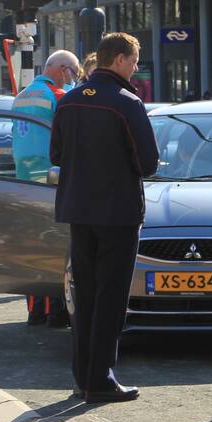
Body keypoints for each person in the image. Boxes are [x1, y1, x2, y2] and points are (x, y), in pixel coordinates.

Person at [50, 32, 159, 403]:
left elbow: (56, 153)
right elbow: (148, 163)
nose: (135, 67)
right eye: (134, 60)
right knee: (111, 297)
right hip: (118, 213)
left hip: (78, 211)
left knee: (85, 294)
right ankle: (101, 378)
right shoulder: (127, 103)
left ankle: (82, 376)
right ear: (118, 60)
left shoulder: (69, 101)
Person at [13, 49, 80, 326]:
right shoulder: (59, 96)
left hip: (24, 179)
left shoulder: (21, 95)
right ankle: (56, 312)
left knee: (31, 246)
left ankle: (35, 310)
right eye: (73, 74)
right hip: (52, 179)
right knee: (54, 247)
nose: (73, 79)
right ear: (63, 69)